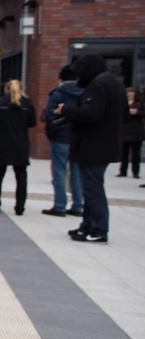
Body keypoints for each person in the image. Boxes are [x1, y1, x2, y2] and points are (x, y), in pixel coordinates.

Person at [55, 53, 127, 244]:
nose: (79, 79)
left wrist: (66, 110)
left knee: (93, 189)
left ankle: (99, 229)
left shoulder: (99, 85)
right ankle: (87, 226)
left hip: (94, 145)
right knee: (90, 188)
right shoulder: (114, 83)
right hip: (104, 143)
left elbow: (91, 114)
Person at [0, 79, 36, 215]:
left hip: (2, 142)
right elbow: (32, 123)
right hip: (21, 143)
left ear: (6, 89)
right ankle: (20, 207)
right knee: (21, 176)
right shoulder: (27, 105)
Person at [42, 66, 84, 218]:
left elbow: (49, 115)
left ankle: (60, 206)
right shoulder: (85, 93)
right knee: (77, 173)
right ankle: (78, 205)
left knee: (59, 172)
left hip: (61, 137)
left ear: (61, 79)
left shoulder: (58, 94)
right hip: (79, 137)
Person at [118, 86, 143, 179]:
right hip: (125, 130)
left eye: (132, 94)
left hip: (137, 130)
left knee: (136, 153)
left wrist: (137, 113)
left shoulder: (140, 103)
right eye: (128, 94)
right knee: (124, 152)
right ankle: (122, 171)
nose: (130, 95)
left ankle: (135, 172)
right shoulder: (123, 104)